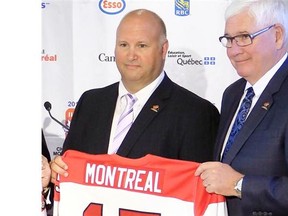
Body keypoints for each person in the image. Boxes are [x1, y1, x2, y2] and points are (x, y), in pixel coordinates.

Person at [50, 9, 219, 181]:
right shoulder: (91, 103)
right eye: (123, 45)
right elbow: (68, 169)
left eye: (141, 45)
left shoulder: (196, 113)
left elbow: (195, 191)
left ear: (163, 49)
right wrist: (57, 170)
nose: (131, 55)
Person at [195, 0, 288, 215]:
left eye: (244, 37)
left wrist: (240, 185)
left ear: (277, 36)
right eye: (229, 39)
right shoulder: (233, 94)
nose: (234, 51)